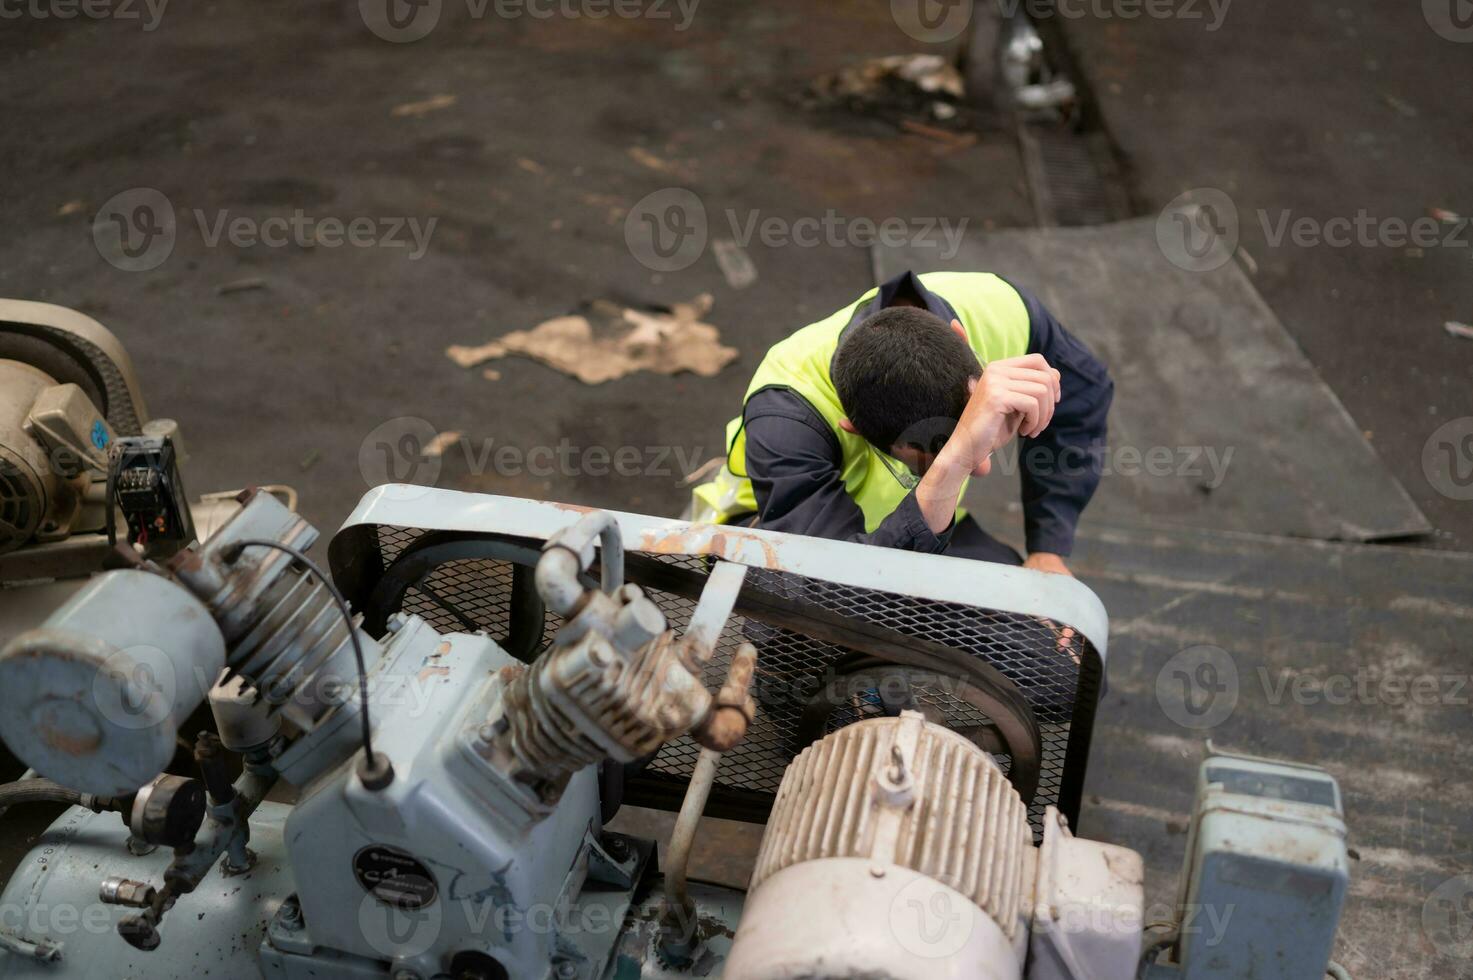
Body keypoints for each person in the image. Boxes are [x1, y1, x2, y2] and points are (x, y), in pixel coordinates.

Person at [689, 270, 1112, 575]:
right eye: (925, 460)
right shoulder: (786, 419)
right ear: (851, 426)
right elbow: (821, 582)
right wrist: (953, 464)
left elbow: (1083, 395)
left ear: (961, 337)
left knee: (1054, 655)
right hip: (786, 530)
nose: (981, 468)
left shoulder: (996, 308)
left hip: (928, 517)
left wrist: (1048, 546)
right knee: (802, 643)